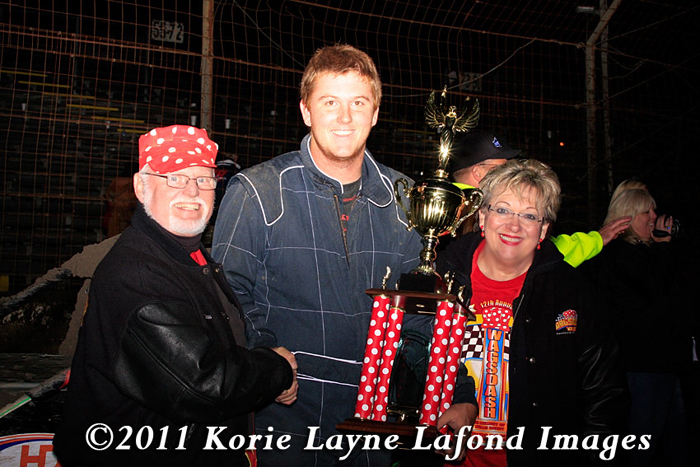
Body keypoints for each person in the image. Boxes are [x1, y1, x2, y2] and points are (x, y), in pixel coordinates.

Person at [212, 45, 476, 466]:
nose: (345, 118)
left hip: (373, 424)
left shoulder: (405, 199)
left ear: (375, 113)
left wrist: (457, 390)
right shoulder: (257, 192)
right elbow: (227, 299)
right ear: (306, 110)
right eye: (330, 102)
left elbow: (422, 309)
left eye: (358, 103)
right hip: (284, 417)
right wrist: (266, 363)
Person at [53, 125, 297, 467]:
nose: (192, 191)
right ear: (141, 186)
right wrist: (276, 369)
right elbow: (203, 384)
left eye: (204, 179)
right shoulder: (138, 275)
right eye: (174, 178)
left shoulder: (187, 257)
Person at [436, 159, 627, 467]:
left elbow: (603, 391)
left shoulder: (571, 291)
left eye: (529, 215)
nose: (514, 225)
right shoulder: (442, 274)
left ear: (543, 229)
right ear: (482, 216)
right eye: (503, 210)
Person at [592, 186, 692, 467]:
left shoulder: (648, 252)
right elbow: (655, 294)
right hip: (639, 366)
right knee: (640, 441)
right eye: (646, 211)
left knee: (672, 441)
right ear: (627, 216)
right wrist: (663, 248)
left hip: (663, 363)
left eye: (654, 210)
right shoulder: (618, 255)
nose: (654, 217)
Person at [448, 131, 631, 267]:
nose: (508, 174)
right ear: (478, 172)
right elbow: (543, 255)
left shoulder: (438, 206)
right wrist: (596, 240)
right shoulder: (474, 210)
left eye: (528, 216)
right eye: (501, 169)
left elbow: (544, 250)